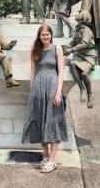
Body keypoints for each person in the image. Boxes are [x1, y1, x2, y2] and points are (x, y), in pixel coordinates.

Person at [22, 24, 67, 173]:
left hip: (53, 89)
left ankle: (53, 160)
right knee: (40, 121)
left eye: (48, 34)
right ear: (39, 36)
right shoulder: (35, 50)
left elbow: (61, 72)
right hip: (38, 90)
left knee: (53, 122)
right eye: (43, 35)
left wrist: (58, 92)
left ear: (51, 35)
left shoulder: (57, 49)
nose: (45, 37)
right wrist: (32, 91)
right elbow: (33, 73)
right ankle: (46, 156)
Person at [64, 10, 97, 109]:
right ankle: (82, 89)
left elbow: (84, 43)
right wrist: (68, 45)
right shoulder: (78, 29)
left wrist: (71, 50)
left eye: (80, 20)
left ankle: (90, 94)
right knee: (73, 64)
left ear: (83, 20)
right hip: (80, 54)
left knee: (83, 74)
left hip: (89, 55)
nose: (78, 22)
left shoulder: (86, 29)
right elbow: (74, 40)